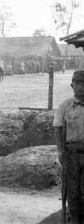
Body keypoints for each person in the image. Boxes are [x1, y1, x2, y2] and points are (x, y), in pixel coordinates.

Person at [53, 70, 84, 224]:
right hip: (71, 154)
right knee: (72, 191)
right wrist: (60, 151)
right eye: (77, 83)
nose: (80, 87)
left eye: (83, 83)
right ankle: (75, 219)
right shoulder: (64, 106)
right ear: (72, 86)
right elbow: (58, 128)